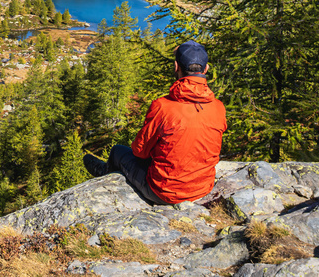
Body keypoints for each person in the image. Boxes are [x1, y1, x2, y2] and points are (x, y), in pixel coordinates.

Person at [83, 40, 227, 204]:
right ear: (206, 69)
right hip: (202, 188)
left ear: (176, 66)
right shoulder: (218, 108)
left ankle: (104, 175)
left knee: (117, 152)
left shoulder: (163, 107)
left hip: (164, 192)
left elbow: (139, 151)